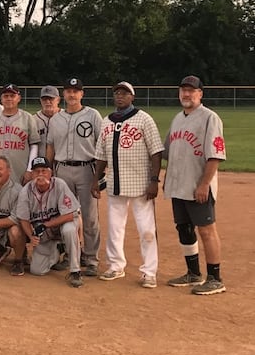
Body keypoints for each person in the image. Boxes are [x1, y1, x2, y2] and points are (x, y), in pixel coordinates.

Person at [92, 81, 163, 288]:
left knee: (146, 229)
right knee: (114, 228)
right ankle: (115, 266)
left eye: (124, 93)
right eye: (117, 93)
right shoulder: (107, 121)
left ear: (132, 97)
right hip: (114, 184)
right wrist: (96, 179)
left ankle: (149, 272)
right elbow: (101, 155)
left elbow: (156, 152)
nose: (120, 96)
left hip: (141, 185)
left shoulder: (143, 119)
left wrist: (154, 180)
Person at [163, 75, 227, 295]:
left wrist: (204, 184)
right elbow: (168, 152)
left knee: (207, 230)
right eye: (183, 90)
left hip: (198, 185)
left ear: (200, 94)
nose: (186, 94)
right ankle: (193, 273)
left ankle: (215, 278)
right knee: (184, 228)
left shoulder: (210, 118)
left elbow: (215, 155)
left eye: (191, 90)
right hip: (179, 185)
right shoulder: (177, 119)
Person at [46, 78, 103, 277]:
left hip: (86, 169)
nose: (71, 94)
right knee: (65, 214)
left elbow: (101, 145)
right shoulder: (56, 119)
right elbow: (51, 146)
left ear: (82, 94)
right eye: (68, 91)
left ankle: (91, 258)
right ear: (63, 94)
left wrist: (99, 174)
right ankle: (70, 255)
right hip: (62, 169)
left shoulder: (93, 115)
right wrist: (48, 169)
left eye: (75, 91)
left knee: (89, 216)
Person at [14, 157, 84, 287]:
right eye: (36, 172)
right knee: (37, 271)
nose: (40, 175)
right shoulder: (26, 191)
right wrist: (31, 236)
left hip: (60, 225)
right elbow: (23, 219)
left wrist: (46, 224)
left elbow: (69, 215)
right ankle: (57, 250)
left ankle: (75, 270)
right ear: (32, 174)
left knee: (69, 230)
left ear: (50, 173)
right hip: (45, 234)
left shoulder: (59, 184)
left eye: (43, 171)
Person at [0, 84, 40, 184]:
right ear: (1, 99)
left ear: (19, 98)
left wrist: (30, 170)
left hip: (20, 170)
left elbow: (34, 145)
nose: (9, 99)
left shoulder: (28, 118)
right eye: (6, 96)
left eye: (12, 96)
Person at [34, 85, 61, 158]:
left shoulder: (65, 117)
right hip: (40, 163)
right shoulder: (33, 120)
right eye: (44, 99)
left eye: (51, 99)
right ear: (40, 100)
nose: (47, 102)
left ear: (58, 100)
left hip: (61, 163)